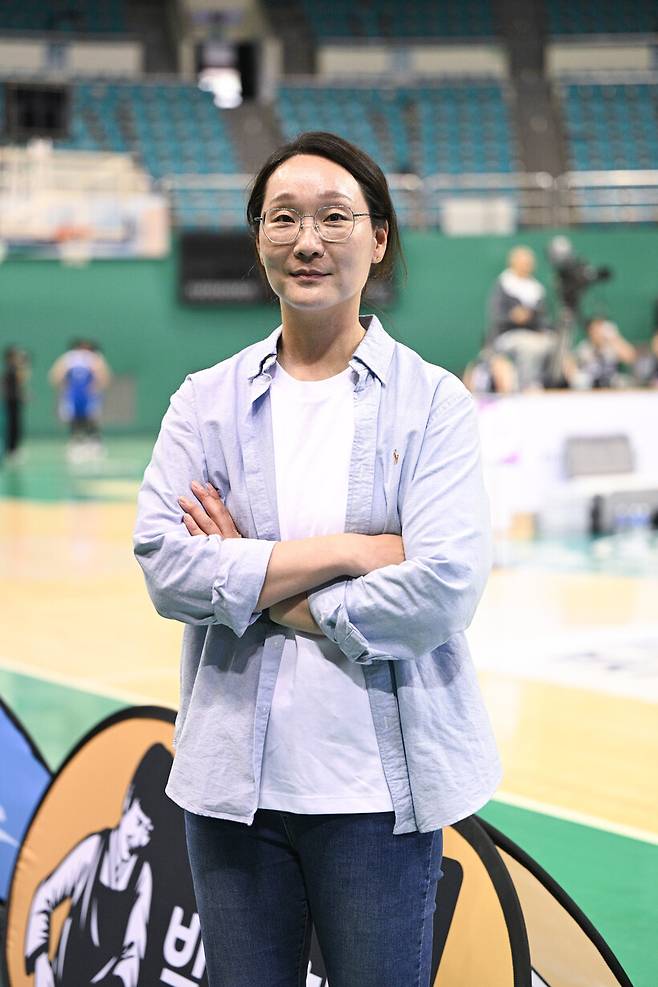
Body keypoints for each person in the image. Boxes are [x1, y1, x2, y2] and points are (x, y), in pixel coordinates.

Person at [133, 131, 501, 987]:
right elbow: (165, 564)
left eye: (335, 217)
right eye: (284, 218)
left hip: (378, 799)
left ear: (378, 238)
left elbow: (441, 589)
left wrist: (256, 581)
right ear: (258, 235)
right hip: (235, 796)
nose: (307, 240)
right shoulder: (206, 402)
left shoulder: (432, 404)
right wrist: (349, 552)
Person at [24, 744, 172, 987]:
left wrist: (119, 981)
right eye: (138, 822)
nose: (139, 837)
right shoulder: (93, 848)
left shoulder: (142, 875)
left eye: (148, 831)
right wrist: (40, 961)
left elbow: (134, 949)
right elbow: (44, 897)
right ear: (128, 800)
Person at [487, 245, 555, 391]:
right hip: (506, 336)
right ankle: (527, 386)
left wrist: (541, 328)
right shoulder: (503, 285)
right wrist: (513, 317)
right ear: (513, 263)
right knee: (528, 346)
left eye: (529, 263)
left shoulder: (536, 288)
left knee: (555, 343)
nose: (527, 266)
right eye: (523, 263)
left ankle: (552, 386)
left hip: (534, 334)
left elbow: (543, 317)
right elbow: (497, 316)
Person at [48, 339, 112, 461]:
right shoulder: (69, 358)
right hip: (74, 395)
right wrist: (63, 387)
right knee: (74, 418)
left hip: (87, 394)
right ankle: (77, 442)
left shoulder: (93, 358)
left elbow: (103, 374)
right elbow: (56, 375)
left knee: (91, 418)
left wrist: (96, 387)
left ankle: (94, 442)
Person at [570, 316, 636, 389]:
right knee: (580, 381)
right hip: (590, 385)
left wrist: (614, 337)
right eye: (594, 330)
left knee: (624, 381)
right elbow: (570, 362)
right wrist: (575, 373)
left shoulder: (613, 346)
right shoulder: (584, 347)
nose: (597, 333)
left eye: (600, 329)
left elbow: (630, 357)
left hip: (611, 383)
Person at [2, 346, 31, 463]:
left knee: (16, 425)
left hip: (14, 401)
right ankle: (11, 450)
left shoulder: (15, 369)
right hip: (10, 401)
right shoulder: (10, 370)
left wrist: (22, 395)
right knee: (11, 426)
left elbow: (19, 384)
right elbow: (11, 387)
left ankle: (14, 449)